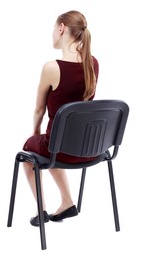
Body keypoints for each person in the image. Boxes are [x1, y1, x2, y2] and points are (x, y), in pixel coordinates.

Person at [23, 10, 99, 226]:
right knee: (53, 143)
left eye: (53, 28)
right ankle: (67, 202)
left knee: (30, 151)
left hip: (60, 148)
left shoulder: (52, 68)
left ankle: (42, 210)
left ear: (61, 28)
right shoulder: (92, 64)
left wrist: (35, 134)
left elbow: (39, 110)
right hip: (89, 149)